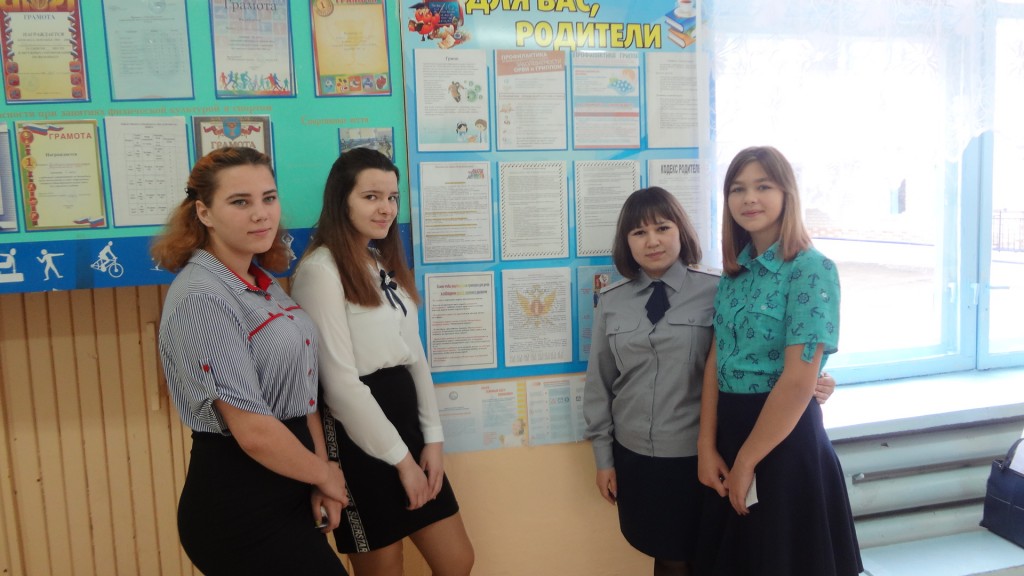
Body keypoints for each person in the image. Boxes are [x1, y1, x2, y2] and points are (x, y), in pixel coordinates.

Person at [584, 187, 836, 576]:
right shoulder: (611, 301)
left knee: (707, 556)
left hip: (700, 454)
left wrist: (816, 380)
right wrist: (603, 459)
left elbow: (763, 349)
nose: (652, 241)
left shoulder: (719, 287)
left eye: (662, 228)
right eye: (639, 233)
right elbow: (599, 384)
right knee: (664, 555)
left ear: (681, 231)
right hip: (635, 455)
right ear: (626, 242)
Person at [152, 147, 348, 575]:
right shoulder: (201, 296)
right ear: (204, 212)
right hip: (240, 505)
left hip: (292, 481)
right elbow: (254, 432)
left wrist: (320, 475)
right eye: (240, 201)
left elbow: (302, 394)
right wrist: (325, 475)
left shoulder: (260, 280)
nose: (261, 214)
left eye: (268, 198)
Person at [290, 148, 474, 576]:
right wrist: (401, 462)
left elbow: (415, 357)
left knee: (457, 560)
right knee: (383, 569)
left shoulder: (378, 262)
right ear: (342, 202)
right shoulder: (320, 271)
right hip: (358, 437)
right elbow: (339, 384)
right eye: (371, 196)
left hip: (406, 427)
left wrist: (432, 439)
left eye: (392, 197)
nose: (386, 208)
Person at [695, 146, 862, 575]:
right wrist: (706, 446)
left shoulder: (811, 268)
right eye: (737, 189)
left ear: (787, 193)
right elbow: (717, 359)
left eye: (763, 186)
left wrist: (747, 461)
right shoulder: (734, 273)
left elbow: (798, 381)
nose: (749, 198)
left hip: (783, 442)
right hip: (731, 432)